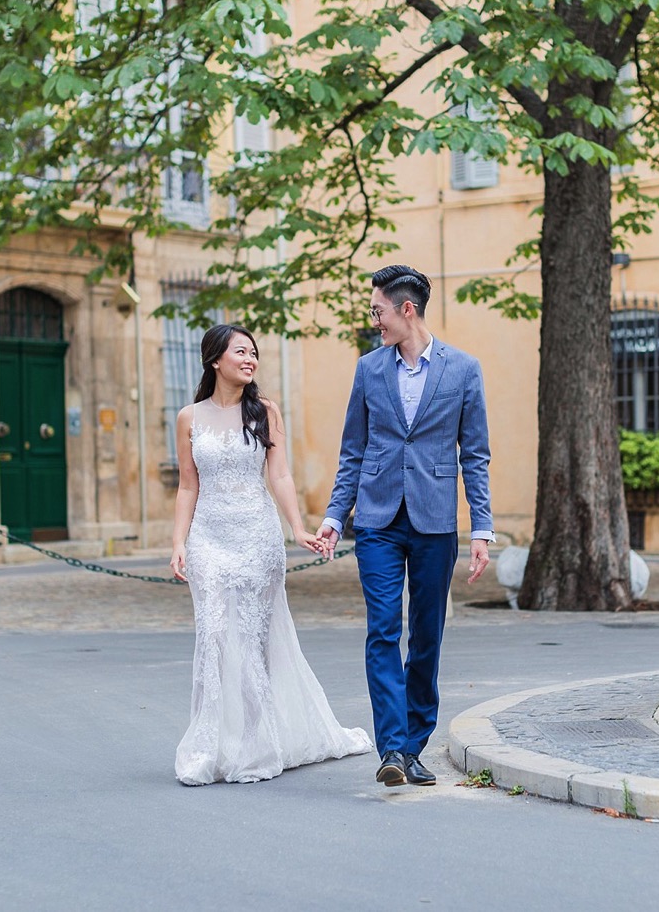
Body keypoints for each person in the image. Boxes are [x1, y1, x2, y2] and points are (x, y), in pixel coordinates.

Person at [170, 324, 373, 785]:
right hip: (209, 537)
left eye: (254, 353)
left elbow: (279, 476)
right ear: (215, 359)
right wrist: (179, 542)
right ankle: (210, 748)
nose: (250, 359)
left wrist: (297, 527)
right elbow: (187, 484)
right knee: (215, 636)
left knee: (252, 640)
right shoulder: (188, 417)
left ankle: (256, 745)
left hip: (257, 536)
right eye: (240, 351)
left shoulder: (265, 412)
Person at [316, 265, 493, 787]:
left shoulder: (463, 369)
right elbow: (353, 450)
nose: (375, 321)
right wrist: (334, 515)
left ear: (405, 309)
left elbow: (475, 454)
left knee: (426, 635)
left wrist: (481, 528)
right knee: (383, 628)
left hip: (436, 519)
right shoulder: (369, 369)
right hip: (377, 518)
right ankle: (392, 747)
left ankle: (415, 742)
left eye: (378, 311)